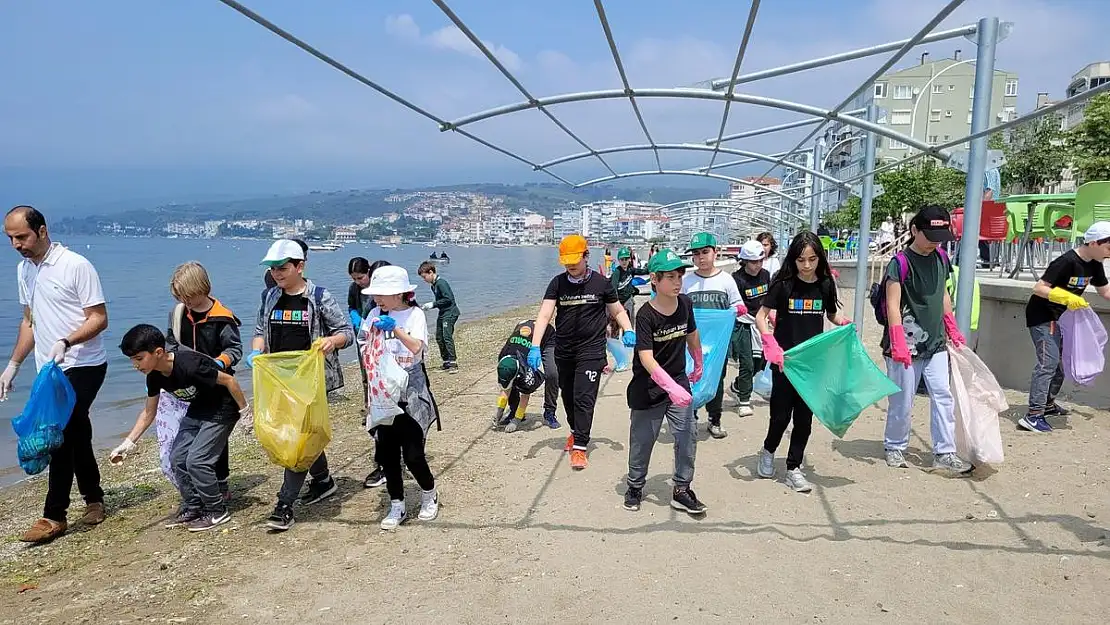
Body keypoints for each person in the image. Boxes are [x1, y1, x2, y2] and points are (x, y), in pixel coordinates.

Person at [2, 206, 110, 544]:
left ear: (42, 231)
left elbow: (98, 318)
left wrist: (67, 340)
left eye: (22, 236)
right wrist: (13, 365)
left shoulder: (76, 265)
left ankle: (53, 516)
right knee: (76, 431)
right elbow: (29, 321)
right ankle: (94, 499)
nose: (16, 244)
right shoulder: (24, 271)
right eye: (10, 238)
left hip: (85, 362)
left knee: (59, 431)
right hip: (50, 369)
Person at [109, 261, 243, 501]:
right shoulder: (179, 313)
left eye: (188, 296)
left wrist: (218, 362)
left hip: (215, 378)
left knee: (215, 437)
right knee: (190, 435)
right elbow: (168, 343)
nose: (185, 301)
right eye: (180, 297)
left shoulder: (223, 318)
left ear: (202, 289)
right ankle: (195, 486)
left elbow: (234, 349)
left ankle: (220, 483)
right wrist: (175, 364)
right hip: (184, 376)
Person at [248, 239, 354, 532]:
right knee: (305, 436)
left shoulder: (319, 297)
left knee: (299, 438)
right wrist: (257, 352)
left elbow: (346, 332)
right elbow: (259, 330)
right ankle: (323, 482)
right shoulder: (269, 297)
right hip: (278, 380)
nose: (277, 273)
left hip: (310, 382)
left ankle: (284, 506)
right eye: (273, 268)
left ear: (299, 266)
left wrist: (331, 342)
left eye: (283, 268)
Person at [118, 325, 250, 531]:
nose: (135, 365)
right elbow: (148, 412)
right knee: (177, 458)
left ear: (158, 352)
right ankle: (193, 506)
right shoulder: (154, 376)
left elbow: (230, 381)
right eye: (132, 360)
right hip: (198, 408)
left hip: (223, 409)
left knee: (197, 461)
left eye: (139, 358)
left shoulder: (190, 365)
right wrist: (128, 443)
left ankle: (217, 511)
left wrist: (245, 412)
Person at [529, 234, 635, 470]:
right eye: (566, 262)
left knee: (584, 398)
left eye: (574, 261)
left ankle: (580, 446)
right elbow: (545, 315)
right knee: (567, 396)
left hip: (592, 351)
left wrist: (628, 329)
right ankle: (576, 431)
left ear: (586, 256)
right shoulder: (557, 283)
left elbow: (617, 311)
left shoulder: (601, 283)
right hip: (564, 351)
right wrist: (535, 345)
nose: (570, 266)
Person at [755, 232, 850, 493]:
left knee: (804, 420)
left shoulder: (825, 285)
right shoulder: (783, 284)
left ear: (820, 257)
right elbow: (761, 317)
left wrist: (842, 323)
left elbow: (831, 314)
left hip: (812, 364)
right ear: (793, 260)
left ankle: (793, 467)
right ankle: (768, 449)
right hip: (785, 361)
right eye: (800, 260)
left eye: (812, 259)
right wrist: (770, 343)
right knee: (780, 416)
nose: (806, 266)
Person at [881, 206, 973, 475]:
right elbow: (893, 304)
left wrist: (951, 326)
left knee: (943, 396)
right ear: (914, 231)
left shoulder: (941, 258)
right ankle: (895, 445)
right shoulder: (899, 263)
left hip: (935, 343)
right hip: (905, 346)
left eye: (940, 235)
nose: (936, 240)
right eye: (930, 234)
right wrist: (897, 339)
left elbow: (942, 293)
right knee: (903, 398)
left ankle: (945, 452)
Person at [623, 249, 706, 515]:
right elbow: (646, 358)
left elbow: (691, 334)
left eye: (680, 275)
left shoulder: (685, 304)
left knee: (687, 434)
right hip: (649, 387)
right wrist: (670, 387)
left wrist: (698, 361)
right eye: (670, 277)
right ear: (654, 280)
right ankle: (635, 485)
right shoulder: (646, 315)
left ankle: (682, 488)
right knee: (643, 440)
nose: (678, 282)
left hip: (679, 380)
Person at [360, 266, 440, 530]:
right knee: (387, 454)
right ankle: (397, 504)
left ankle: (429, 494)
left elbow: (417, 348)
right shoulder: (373, 313)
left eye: (383, 294)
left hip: (409, 392)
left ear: (401, 293)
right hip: (383, 393)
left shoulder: (414, 314)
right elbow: (364, 344)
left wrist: (395, 329)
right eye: (376, 294)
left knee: (414, 454)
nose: (377, 300)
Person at [1019, 221, 1110, 433]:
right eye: (1108, 248)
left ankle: (1048, 404)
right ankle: (1033, 415)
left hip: (1061, 318)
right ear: (1094, 243)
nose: (1109, 253)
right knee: (1048, 363)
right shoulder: (1067, 261)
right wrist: (1065, 296)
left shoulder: (1095, 263)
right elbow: (1039, 288)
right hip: (1043, 316)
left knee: (1060, 363)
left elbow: (1105, 292)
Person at [681, 232, 745, 440]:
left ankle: (714, 419)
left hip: (718, 346)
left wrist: (739, 310)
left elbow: (736, 304)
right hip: (692, 345)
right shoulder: (686, 281)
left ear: (715, 252)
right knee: (692, 379)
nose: (701, 257)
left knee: (716, 381)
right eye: (697, 254)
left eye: (705, 252)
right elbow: (678, 307)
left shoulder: (726, 280)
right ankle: (691, 417)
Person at [728, 240, 771, 417]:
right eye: (753, 262)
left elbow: (769, 299)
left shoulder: (766, 275)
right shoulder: (737, 279)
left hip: (761, 322)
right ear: (744, 261)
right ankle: (744, 400)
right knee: (747, 361)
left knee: (761, 361)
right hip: (743, 324)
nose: (757, 265)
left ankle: (737, 386)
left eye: (760, 261)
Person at [493, 320, 554, 432]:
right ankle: (513, 410)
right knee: (511, 384)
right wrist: (499, 411)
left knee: (552, 374)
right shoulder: (503, 358)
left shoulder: (526, 366)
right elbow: (505, 389)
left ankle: (550, 412)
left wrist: (517, 420)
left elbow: (525, 395)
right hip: (522, 327)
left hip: (546, 334)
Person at [417, 261, 460, 373]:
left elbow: (448, 299)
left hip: (450, 312)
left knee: (446, 336)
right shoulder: (434, 286)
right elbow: (441, 301)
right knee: (439, 337)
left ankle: (453, 362)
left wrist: (433, 304)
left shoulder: (441, 283)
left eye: (425, 277)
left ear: (431, 272)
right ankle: (446, 361)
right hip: (443, 313)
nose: (424, 280)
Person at [611, 246, 650, 322]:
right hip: (619, 300)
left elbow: (643, 272)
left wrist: (651, 267)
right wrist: (617, 303)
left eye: (626, 259)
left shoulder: (630, 269)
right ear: (619, 260)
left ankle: (631, 331)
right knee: (619, 321)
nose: (624, 261)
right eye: (622, 259)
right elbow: (614, 288)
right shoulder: (617, 272)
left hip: (628, 298)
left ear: (629, 259)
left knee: (630, 319)